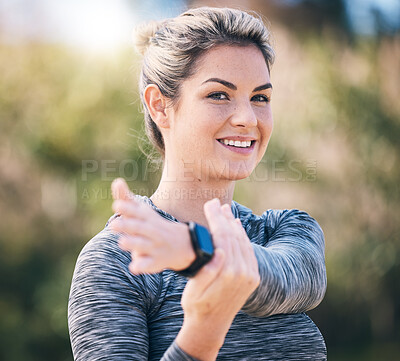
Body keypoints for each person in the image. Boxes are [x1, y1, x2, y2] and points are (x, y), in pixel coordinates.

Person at [68, 7, 327, 361]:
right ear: (159, 106)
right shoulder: (118, 259)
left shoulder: (285, 230)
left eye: (260, 97)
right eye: (219, 94)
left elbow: (297, 280)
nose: (247, 118)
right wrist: (203, 331)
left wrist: (196, 251)